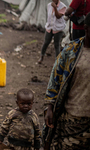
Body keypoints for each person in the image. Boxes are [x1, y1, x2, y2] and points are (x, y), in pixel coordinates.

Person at [43, 12, 90, 150]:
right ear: (86, 28)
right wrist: (49, 107)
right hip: (71, 119)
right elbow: (55, 79)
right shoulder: (71, 51)